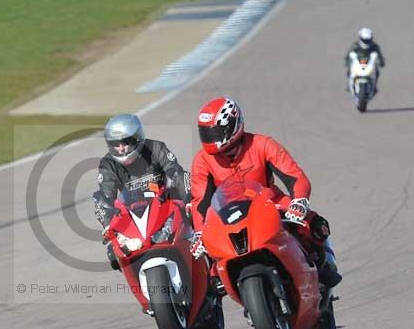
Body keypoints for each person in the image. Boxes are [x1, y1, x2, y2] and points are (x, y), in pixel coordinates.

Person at [187, 97, 341, 288]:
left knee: (315, 225)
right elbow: (200, 202)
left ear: (233, 125)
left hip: (271, 202)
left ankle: (323, 265)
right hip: (229, 214)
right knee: (207, 265)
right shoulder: (202, 161)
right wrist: (200, 233)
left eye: (216, 132)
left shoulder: (262, 144)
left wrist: (299, 200)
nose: (211, 138)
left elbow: (295, 175)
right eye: (206, 133)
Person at [93, 114, 190, 270]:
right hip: (134, 212)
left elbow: (175, 172)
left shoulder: (156, 148)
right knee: (99, 199)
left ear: (137, 138)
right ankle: (115, 241)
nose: (121, 148)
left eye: (126, 142)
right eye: (115, 144)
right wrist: (110, 227)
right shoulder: (108, 164)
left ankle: (200, 232)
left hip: (165, 204)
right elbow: (106, 195)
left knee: (184, 177)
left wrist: (186, 201)